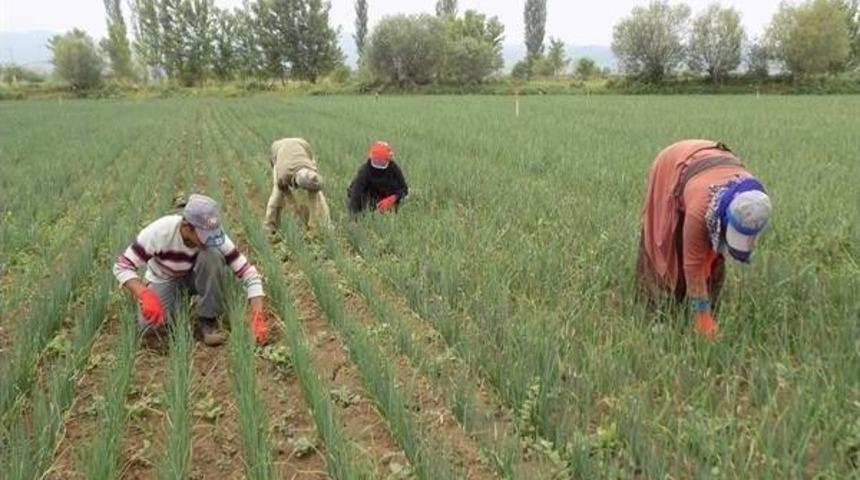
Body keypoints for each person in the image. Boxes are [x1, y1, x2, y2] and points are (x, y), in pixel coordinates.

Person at [635, 140, 772, 340]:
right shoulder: (700, 209)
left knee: (714, 249)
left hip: (711, 165)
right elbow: (693, 264)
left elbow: (721, 244)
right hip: (673, 164)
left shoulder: (755, 202)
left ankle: (709, 303)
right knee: (666, 246)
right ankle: (660, 311)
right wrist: (702, 316)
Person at [113, 194, 268, 346]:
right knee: (150, 328)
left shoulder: (215, 238)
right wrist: (144, 294)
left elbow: (248, 273)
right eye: (204, 234)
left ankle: (208, 320)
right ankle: (176, 304)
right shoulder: (159, 232)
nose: (211, 238)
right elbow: (122, 266)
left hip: (196, 277)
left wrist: (258, 315)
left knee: (212, 256)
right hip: (165, 279)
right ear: (187, 227)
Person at [265, 138, 331, 235]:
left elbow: (314, 196)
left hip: (302, 144)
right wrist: (295, 209)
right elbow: (285, 191)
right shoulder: (283, 174)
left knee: (319, 196)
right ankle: (269, 226)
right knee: (276, 195)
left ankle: (327, 226)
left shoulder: (312, 171)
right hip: (279, 149)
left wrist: (312, 225)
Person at [348, 141, 409, 216]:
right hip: (369, 197)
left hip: (386, 198)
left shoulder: (393, 168)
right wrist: (354, 216)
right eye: (376, 161)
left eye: (382, 162)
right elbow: (355, 195)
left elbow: (404, 189)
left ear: (388, 160)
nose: (379, 164)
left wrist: (392, 199)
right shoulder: (364, 171)